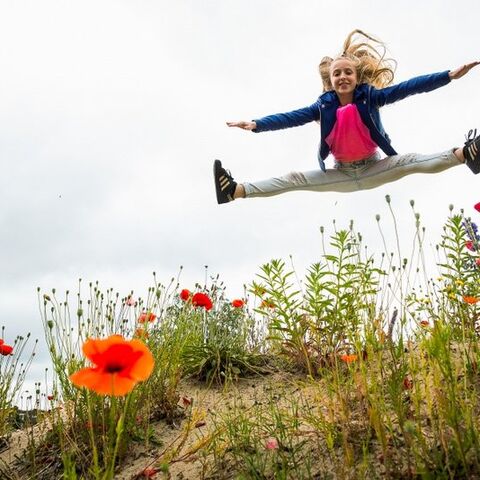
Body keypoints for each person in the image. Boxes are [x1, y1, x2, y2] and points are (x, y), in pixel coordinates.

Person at [213, 29, 480, 204]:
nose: (343, 77)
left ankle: (466, 154)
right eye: (337, 74)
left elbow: (409, 87)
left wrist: (448, 76)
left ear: (356, 77)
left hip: (375, 168)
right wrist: (257, 124)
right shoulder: (322, 107)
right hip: (340, 175)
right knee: (294, 179)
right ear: (330, 81)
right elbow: (290, 117)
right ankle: (234, 191)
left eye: (348, 73)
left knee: (411, 161)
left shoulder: (372, 97)